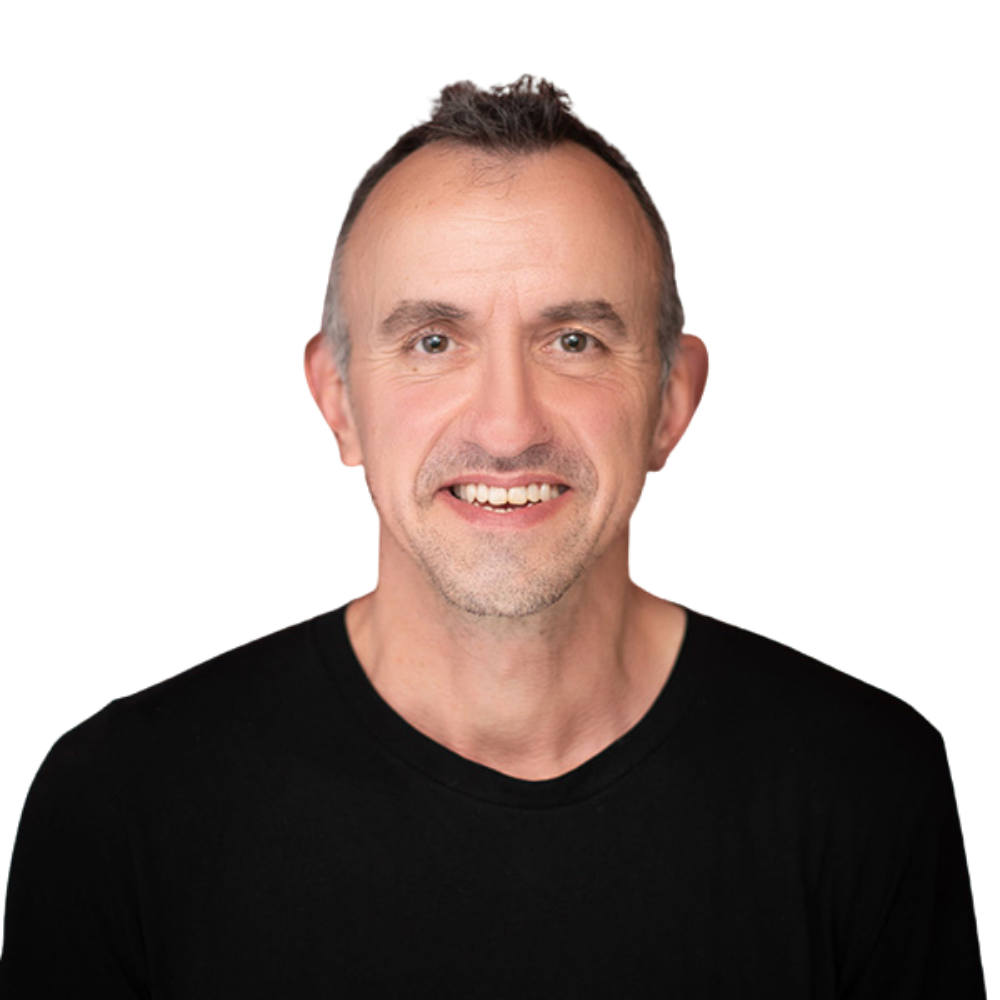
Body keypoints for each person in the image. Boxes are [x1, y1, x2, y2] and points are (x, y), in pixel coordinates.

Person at [3, 75, 985, 997]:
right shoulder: (122, 802)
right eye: (433, 341)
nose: (508, 426)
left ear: (673, 401)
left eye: (574, 341)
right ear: (335, 402)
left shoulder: (862, 787)